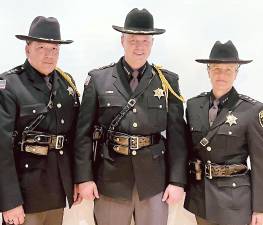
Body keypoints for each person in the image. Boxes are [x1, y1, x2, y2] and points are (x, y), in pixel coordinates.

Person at [74, 8, 188, 225]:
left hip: (154, 181)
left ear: (152, 43)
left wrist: (177, 181)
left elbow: (177, 135)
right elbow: (83, 134)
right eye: (133, 39)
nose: (139, 46)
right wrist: (84, 177)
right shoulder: (99, 79)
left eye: (145, 40)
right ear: (122, 40)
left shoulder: (167, 81)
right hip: (111, 178)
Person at [0, 16, 80, 225]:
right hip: (24, 197)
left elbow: (74, 139)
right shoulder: (10, 86)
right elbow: (2, 149)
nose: (49, 55)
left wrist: (76, 181)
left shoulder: (66, 85)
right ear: (27, 50)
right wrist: (9, 201)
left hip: (57, 191)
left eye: (54, 49)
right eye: (42, 47)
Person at [184, 40, 263, 225]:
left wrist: (259, 207)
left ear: (236, 73)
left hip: (235, 201)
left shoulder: (252, 110)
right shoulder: (194, 106)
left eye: (228, 70)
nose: (222, 74)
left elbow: (260, 162)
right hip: (201, 198)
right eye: (217, 68)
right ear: (208, 70)